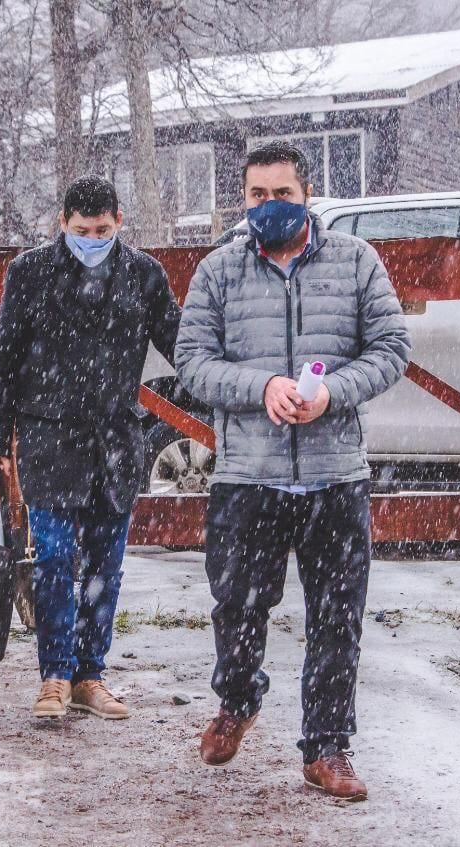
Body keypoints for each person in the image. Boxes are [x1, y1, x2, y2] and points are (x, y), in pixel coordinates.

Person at [174, 141, 410, 800]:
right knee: (238, 607)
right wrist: (262, 386)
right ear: (242, 199)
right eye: (257, 194)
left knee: (337, 617)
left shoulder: (356, 262)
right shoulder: (219, 271)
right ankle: (239, 698)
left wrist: (334, 389)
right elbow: (192, 361)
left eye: (282, 193)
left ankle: (327, 746)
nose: (270, 205)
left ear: (306, 195)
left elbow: (393, 347)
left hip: (334, 474)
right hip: (248, 475)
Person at [0, 175, 181, 720]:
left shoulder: (143, 275)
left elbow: (182, 345)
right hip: (49, 438)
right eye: (82, 229)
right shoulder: (31, 273)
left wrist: (221, 390)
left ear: (120, 221)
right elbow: (5, 360)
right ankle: (55, 675)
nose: (92, 238)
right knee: (52, 558)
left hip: (115, 439)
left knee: (104, 566)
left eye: (102, 229)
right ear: (61, 223)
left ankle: (91, 674)